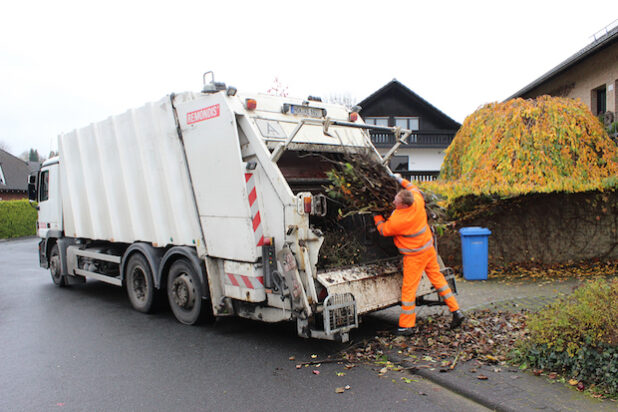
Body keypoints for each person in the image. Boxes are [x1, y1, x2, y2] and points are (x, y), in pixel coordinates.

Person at [373, 174, 464, 336]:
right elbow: (412, 187)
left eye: (396, 201)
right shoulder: (417, 200)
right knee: (439, 280)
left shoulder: (399, 220)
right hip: (428, 251)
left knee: (409, 290)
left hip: (414, 257)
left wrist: (376, 215)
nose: (393, 202)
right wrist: (399, 178)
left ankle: (407, 326)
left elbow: (383, 230)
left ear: (402, 206)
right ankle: (456, 311)